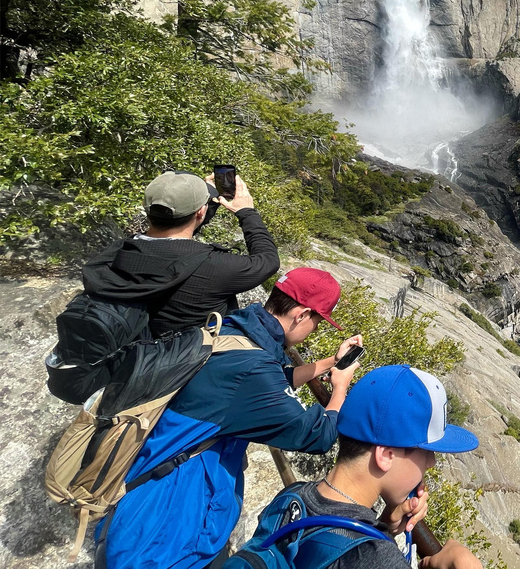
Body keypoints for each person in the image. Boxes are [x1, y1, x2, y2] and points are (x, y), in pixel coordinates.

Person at [96, 268, 363, 569]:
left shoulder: (233, 331)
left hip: (145, 495)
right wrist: (339, 389)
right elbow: (317, 435)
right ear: (301, 315)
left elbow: (272, 382)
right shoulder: (254, 368)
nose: (313, 329)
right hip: (169, 527)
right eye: (316, 321)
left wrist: (330, 363)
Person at [245, 364, 481, 569]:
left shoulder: (293, 495)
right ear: (387, 455)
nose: (432, 462)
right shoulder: (374, 559)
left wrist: (385, 527)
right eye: (427, 452)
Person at [82, 170, 280, 334]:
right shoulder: (213, 267)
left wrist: (196, 196)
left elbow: (178, 232)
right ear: (201, 212)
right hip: (185, 369)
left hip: (134, 356)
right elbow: (268, 260)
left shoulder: (117, 252)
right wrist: (247, 212)